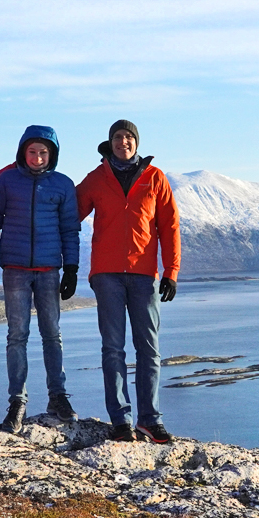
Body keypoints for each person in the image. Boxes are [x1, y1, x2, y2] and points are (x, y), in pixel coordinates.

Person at [76, 120, 181, 444]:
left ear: (136, 142)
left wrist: (171, 271)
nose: (124, 141)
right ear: (110, 143)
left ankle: (150, 420)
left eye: (129, 137)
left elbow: (169, 226)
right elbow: (69, 214)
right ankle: (121, 421)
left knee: (149, 349)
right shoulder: (96, 179)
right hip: (106, 274)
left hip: (144, 275)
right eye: (118, 137)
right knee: (113, 349)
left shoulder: (155, 178)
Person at [0, 125, 81, 433]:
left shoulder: (63, 184)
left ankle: (57, 397)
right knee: (17, 336)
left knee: (52, 334)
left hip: (49, 270)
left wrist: (71, 268)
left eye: (43, 152)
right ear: (23, 152)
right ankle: (17, 402)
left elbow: (70, 229)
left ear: (52, 154)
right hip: (15, 269)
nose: (37, 157)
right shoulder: (7, 181)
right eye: (32, 151)